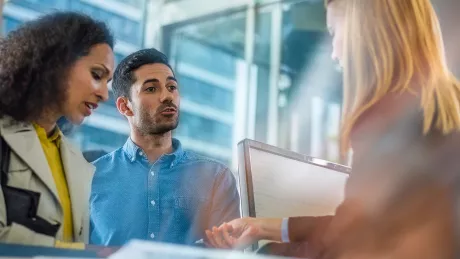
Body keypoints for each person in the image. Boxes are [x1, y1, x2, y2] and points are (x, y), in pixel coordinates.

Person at [206, 0, 459, 258]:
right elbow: (366, 223)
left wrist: (272, 249)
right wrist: (262, 226)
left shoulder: (391, 120)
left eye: (335, 33)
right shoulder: (442, 104)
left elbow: (357, 239)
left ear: (366, 30)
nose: (335, 53)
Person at [89, 48, 240, 247]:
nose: (167, 96)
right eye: (151, 89)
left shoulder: (216, 178)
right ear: (125, 106)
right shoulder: (90, 178)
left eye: (171, 87)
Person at [0, 12, 114, 247]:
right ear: (57, 62)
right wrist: (89, 253)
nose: (104, 94)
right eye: (97, 75)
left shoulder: (78, 163)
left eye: (107, 82)